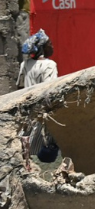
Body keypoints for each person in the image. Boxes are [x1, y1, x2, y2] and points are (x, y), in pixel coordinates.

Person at [18, 29, 61, 162]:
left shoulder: (24, 64)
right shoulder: (50, 65)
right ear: (41, 48)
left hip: (27, 112)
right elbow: (50, 89)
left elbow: (19, 86)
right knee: (45, 149)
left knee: (26, 146)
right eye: (50, 44)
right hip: (43, 112)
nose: (52, 46)